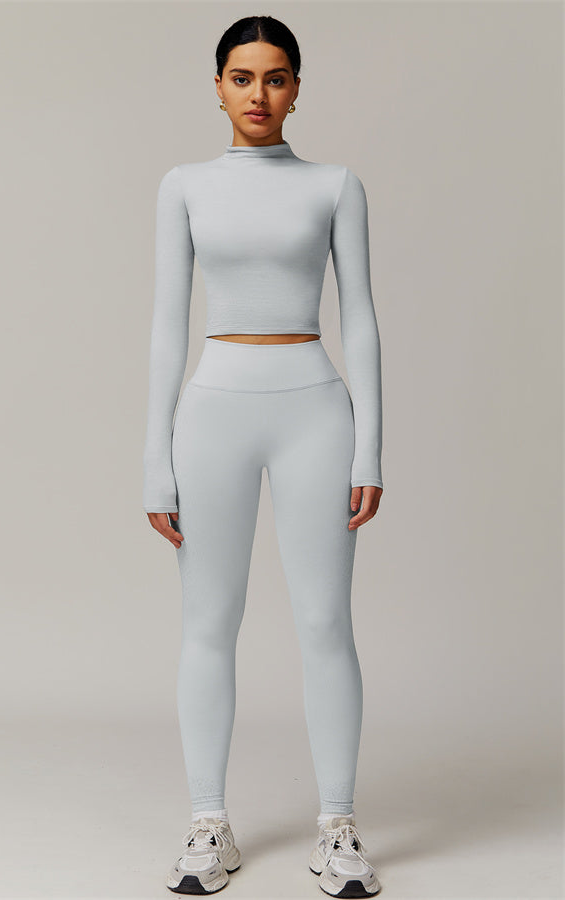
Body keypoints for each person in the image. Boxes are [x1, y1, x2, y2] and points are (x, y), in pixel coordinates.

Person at [143, 14, 384, 898]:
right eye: (241, 78)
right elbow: (167, 327)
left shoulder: (335, 185)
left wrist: (371, 449)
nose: (258, 94)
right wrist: (155, 456)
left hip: (315, 407)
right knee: (209, 622)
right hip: (213, 412)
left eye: (275, 77)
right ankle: (209, 822)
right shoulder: (185, 186)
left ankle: (339, 826)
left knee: (325, 622)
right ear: (217, 87)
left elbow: (361, 318)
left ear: (296, 88)